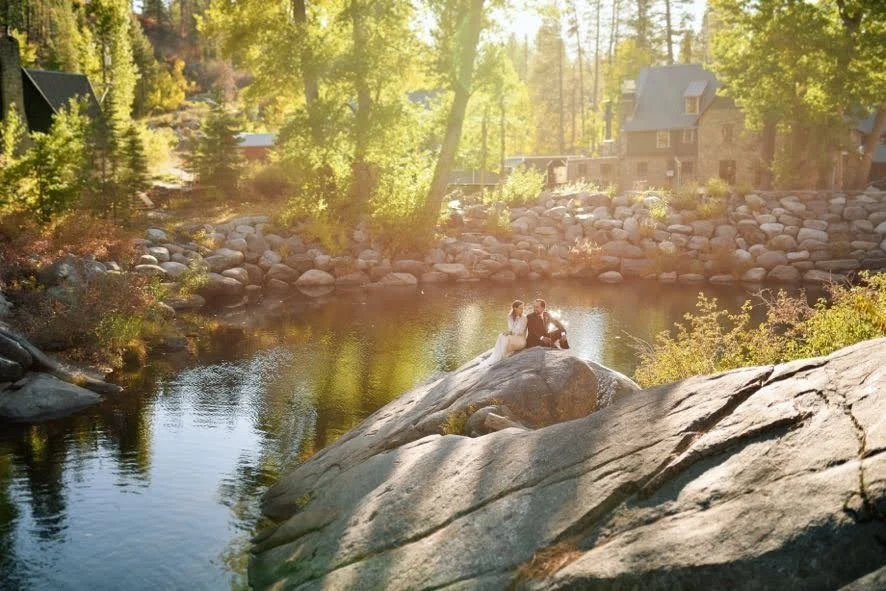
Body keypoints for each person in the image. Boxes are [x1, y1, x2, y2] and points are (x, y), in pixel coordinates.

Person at [486, 300, 528, 365]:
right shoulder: (510, 316)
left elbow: (520, 331)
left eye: (523, 308)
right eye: (520, 308)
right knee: (501, 335)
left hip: (521, 340)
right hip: (513, 337)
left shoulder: (524, 318)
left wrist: (510, 332)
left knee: (506, 338)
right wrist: (510, 332)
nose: (522, 310)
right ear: (515, 308)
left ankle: (502, 358)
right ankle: (498, 357)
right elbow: (510, 328)